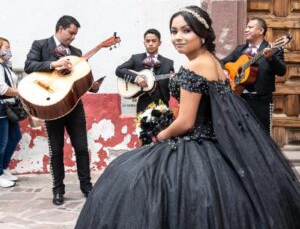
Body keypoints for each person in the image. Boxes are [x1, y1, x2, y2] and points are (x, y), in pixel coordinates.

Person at [52, 6, 300, 229]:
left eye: (186, 30)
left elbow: (186, 121)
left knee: (127, 179)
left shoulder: (195, 66)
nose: (178, 37)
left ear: (203, 34)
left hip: (195, 143)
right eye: (174, 31)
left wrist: (160, 133)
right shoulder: (214, 62)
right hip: (213, 145)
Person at [24, 16, 100, 205]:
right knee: (56, 150)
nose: (73, 37)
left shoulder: (77, 52)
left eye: (75, 34)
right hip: (52, 106)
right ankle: (58, 189)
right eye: (71, 33)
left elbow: (78, 81)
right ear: (60, 28)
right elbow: (29, 66)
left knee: (82, 148)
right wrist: (53, 64)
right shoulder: (40, 45)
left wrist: (92, 86)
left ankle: (86, 186)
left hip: (74, 106)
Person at [221, 17, 286, 134]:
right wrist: (225, 71)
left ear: (261, 31)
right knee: (240, 135)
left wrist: (271, 58)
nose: (246, 30)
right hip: (239, 99)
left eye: (250, 27)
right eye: (246, 27)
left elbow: (282, 71)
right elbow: (222, 63)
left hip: (261, 102)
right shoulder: (240, 49)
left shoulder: (275, 50)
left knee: (263, 137)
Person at [116, 28, 174, 113]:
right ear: (144, 43)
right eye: (148, 41)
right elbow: (119, 70)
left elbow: (171, 86)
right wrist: (136, 78)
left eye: (154, 41)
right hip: (143, 104)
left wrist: (174, 81)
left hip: (162, 104)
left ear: (159, 43)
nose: (150, 44)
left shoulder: (168, 63)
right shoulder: (136, 59)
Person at [0, 37, 22, 188]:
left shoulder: (5, 66)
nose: (8, 50)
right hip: (1, 108)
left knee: (15, 136)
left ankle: (4, 167)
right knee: (1, 142)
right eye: (6, 47)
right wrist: (21, 92)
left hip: (9, 108)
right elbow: (2, 89)